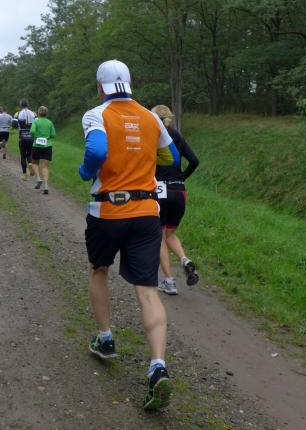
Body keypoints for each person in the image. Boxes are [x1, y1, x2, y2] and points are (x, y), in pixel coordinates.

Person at [78, 59, 179, 411]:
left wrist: (85, 171)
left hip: (107, 211)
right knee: (147, 289)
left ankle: (105, 339)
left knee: (98, 270)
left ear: (100, 86)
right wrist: (142, 158)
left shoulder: (96, 115)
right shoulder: (151, 117)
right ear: (130, 84)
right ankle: (157, 365)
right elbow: (171, 155)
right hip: (147, 212)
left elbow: (96, 150)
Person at [151, 105, 200, 295]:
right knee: (170, 233)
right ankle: (184, 260)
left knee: (159, 235)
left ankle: (169, 282)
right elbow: (194, 161)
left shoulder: (153, 135)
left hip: (160, 189)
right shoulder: (176, 135)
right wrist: (181, 177)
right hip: (179, 190)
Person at [30, 106, 55, 194]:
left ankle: (38, 178)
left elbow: (32, 131)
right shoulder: (49, 122)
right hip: (47, 146)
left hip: (36, 145)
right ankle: (46, 186)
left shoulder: (35, 122)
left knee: (34, 163)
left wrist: (36, 136)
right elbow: (53, 134)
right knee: (45, 166)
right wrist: (47, 136)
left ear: (38, 113)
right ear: (46, 113)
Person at [15, 99, 37, 181]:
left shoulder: (18, 114)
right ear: (28, 104)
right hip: (31, 137)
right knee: (29, 154)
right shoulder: (33, 113)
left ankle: (24, 174)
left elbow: (14, 124)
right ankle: (30, 163)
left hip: (22, 137)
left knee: (23, 156)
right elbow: (36, 124)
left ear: (21, 105)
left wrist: (17, 127)